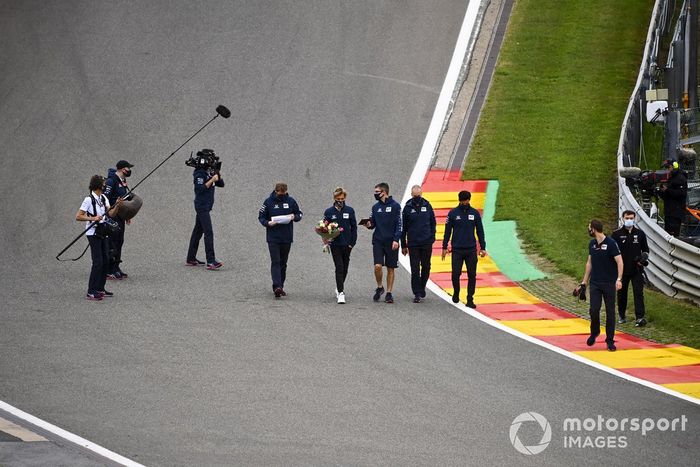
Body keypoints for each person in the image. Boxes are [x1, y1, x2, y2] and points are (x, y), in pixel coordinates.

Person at [576, 219, 624, 352]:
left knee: (610, 312)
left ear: (594, 229)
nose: (588, 230)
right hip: (595, 283)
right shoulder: (592, 244)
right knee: (594, 310)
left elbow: (620, 262)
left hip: (609, 283)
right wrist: (584, 282)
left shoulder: (611, 243)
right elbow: (589, 263)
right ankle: (595, 332)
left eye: (589, 227)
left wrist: (619, 279)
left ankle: (610, 340)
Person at [76, 175, 122, 300]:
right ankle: (91, 291)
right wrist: (92, 218)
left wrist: (117, 205)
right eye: (103, 184)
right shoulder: (88, 200)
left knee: (106, 260)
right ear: (98, 185)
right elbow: (78, 216)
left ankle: (100, 288)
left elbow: (111, 214)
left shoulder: (103, 198)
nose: (105, 186)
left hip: (103, 232)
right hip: (93, 234)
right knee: (98, 262)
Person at [441, 190, 486, 309]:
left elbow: (480, 231)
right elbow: (447, 231)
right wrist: (444, 247)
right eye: (462, 201)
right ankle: (456, 292)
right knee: (455, 274)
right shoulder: (452, 214)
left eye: (466, 201)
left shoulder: (475, 213)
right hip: (457, 250)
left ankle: (470, 298)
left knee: (472, 275)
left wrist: (483, 247)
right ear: (459, 200)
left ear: (469, 200)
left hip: (471, 250)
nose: (464, 203)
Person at [259, 182, 303, 298]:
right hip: (273, 238)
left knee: (283, 263)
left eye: (284, 193)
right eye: (280, 193)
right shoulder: (268, 202)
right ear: (276, 191)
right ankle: (277, 286)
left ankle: (281, 286)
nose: (282, 195)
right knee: (276, 261)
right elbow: (261, 217)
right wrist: (268, 223)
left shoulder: (291, 201)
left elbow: (300, 214)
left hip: (287, 237)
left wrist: (295, 217)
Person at [363, 182, 402, 304]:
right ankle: (380, 287)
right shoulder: (375, 207)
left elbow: (399, 224)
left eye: (377, 192)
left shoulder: (396, 206)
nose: (375, 194)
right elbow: (372, 223)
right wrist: (368, 225)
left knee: (391, 268)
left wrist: (396, 239)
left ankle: (389, 293)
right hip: (378, 241)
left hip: (391, 242)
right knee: (377, 266)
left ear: (384, 192)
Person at [186, 151, 224, 270]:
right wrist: (212, 179)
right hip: (202, 206)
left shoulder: (209, 171)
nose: (212, 162)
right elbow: (200, 190)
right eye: (211, 160)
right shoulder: (199, 173)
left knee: (198, 231)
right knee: (209, 232)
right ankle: (211, 261)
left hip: (207, 206)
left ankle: (191, 258)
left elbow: (221, 184)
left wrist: (217, 173)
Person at [611, 210, 649, 327]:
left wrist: (643, 258)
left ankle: (640, 317)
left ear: (635, 219)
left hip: (636, 269)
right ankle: (622, 315)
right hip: (622, 270)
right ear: (622, 218)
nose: (629, 220)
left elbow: (646, 250)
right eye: (627, 218)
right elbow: (612, 253)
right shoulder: (616, 234)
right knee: (622, 294)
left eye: (631, 218)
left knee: (638, 293)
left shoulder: (640, 234)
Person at [401, 184, 436, 303]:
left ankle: (422, 286)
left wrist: (432, 237)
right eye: (415, 196)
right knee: (415, 269)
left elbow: (433, 223)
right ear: (411, 195)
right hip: (413, 243)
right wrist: (403, 245)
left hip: (426, 242)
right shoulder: (407, 208)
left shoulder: (427, 205)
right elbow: (403, 228)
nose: (417, 197)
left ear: (421, 194)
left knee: (426, 266)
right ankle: (417, 292)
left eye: (419, 196)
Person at [323, 187, 357, 304]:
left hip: (347, 244)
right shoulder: (329, 212)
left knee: (345, 268)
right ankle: (341, 293)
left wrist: (352, 243)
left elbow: (354, 228)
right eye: (338, 198)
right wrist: (326, 238)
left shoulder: (350, 210)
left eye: (342, 198)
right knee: (339, 267)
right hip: (335, 244)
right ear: (334, 198)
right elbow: (324, 228)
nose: (340, 200)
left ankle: (339, 286)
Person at [104, 160, 133, 280]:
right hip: (112, 215)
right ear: (121, 169)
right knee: (113, 242)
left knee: (119, 241)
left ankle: (116, 266)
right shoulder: (111, 181)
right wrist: (110, 211)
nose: (129, 170)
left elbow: (125, 199)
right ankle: (109, 269)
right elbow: (105, 198)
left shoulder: (123, 181)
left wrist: (127, 215)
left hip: (121, 216)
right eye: (128, 168)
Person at [660, 160, 688, 237]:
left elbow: (681, 193)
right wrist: (661, 192)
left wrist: (667, 190)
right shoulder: (671, 178)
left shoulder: (680, 178)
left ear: (674, 167)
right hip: (669, 211)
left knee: (673, 234)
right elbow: (668, 195)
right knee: (668, 232)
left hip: (675, 212)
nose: (667, 169)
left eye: (668, 167)